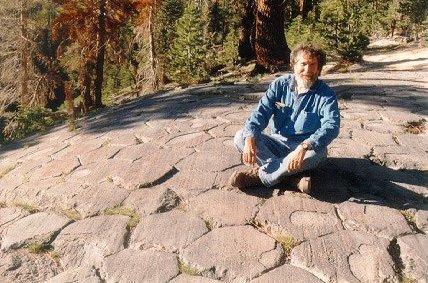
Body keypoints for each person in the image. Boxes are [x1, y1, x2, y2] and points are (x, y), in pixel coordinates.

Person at [229, 42, 340, 194]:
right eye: (303, 64)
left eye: (313, 64)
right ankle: (291, 179)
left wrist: (305, 146)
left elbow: (331, 126)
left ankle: (259, 176)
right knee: (240, 137)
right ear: (294, 65)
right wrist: (250, 138)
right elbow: (260, 113)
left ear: (319, 67)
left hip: (304, 149)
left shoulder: (326, 94)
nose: (308, 70)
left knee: (318, 154)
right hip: (277, 142)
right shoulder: (279, 85)